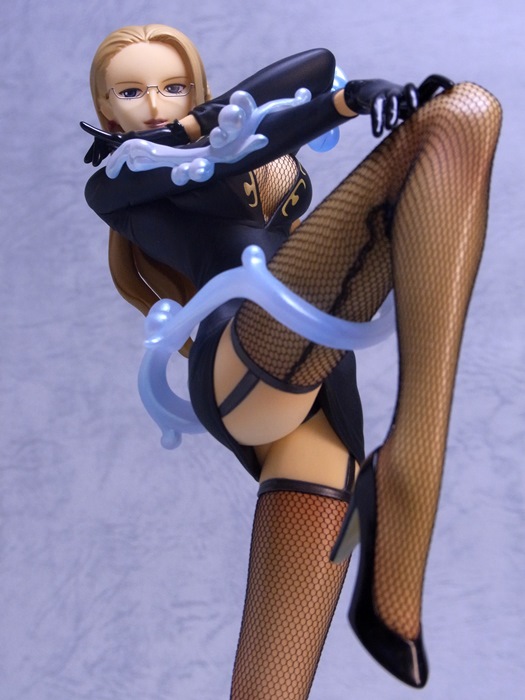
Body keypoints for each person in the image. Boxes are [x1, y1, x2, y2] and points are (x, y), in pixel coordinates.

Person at [83, 24, 501, 698]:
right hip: (244, 354)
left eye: (173, 86)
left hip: (321, 394)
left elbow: (314, 65)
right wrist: (340, 104)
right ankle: (410, 471)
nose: (155, 104)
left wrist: (354, 96)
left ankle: (392, 476)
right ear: (105, 107)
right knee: (462, 114)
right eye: (131, 92)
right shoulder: (116, 179)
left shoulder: (235, 129)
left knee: (269, 689)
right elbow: (217, 163)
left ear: (195, 88)